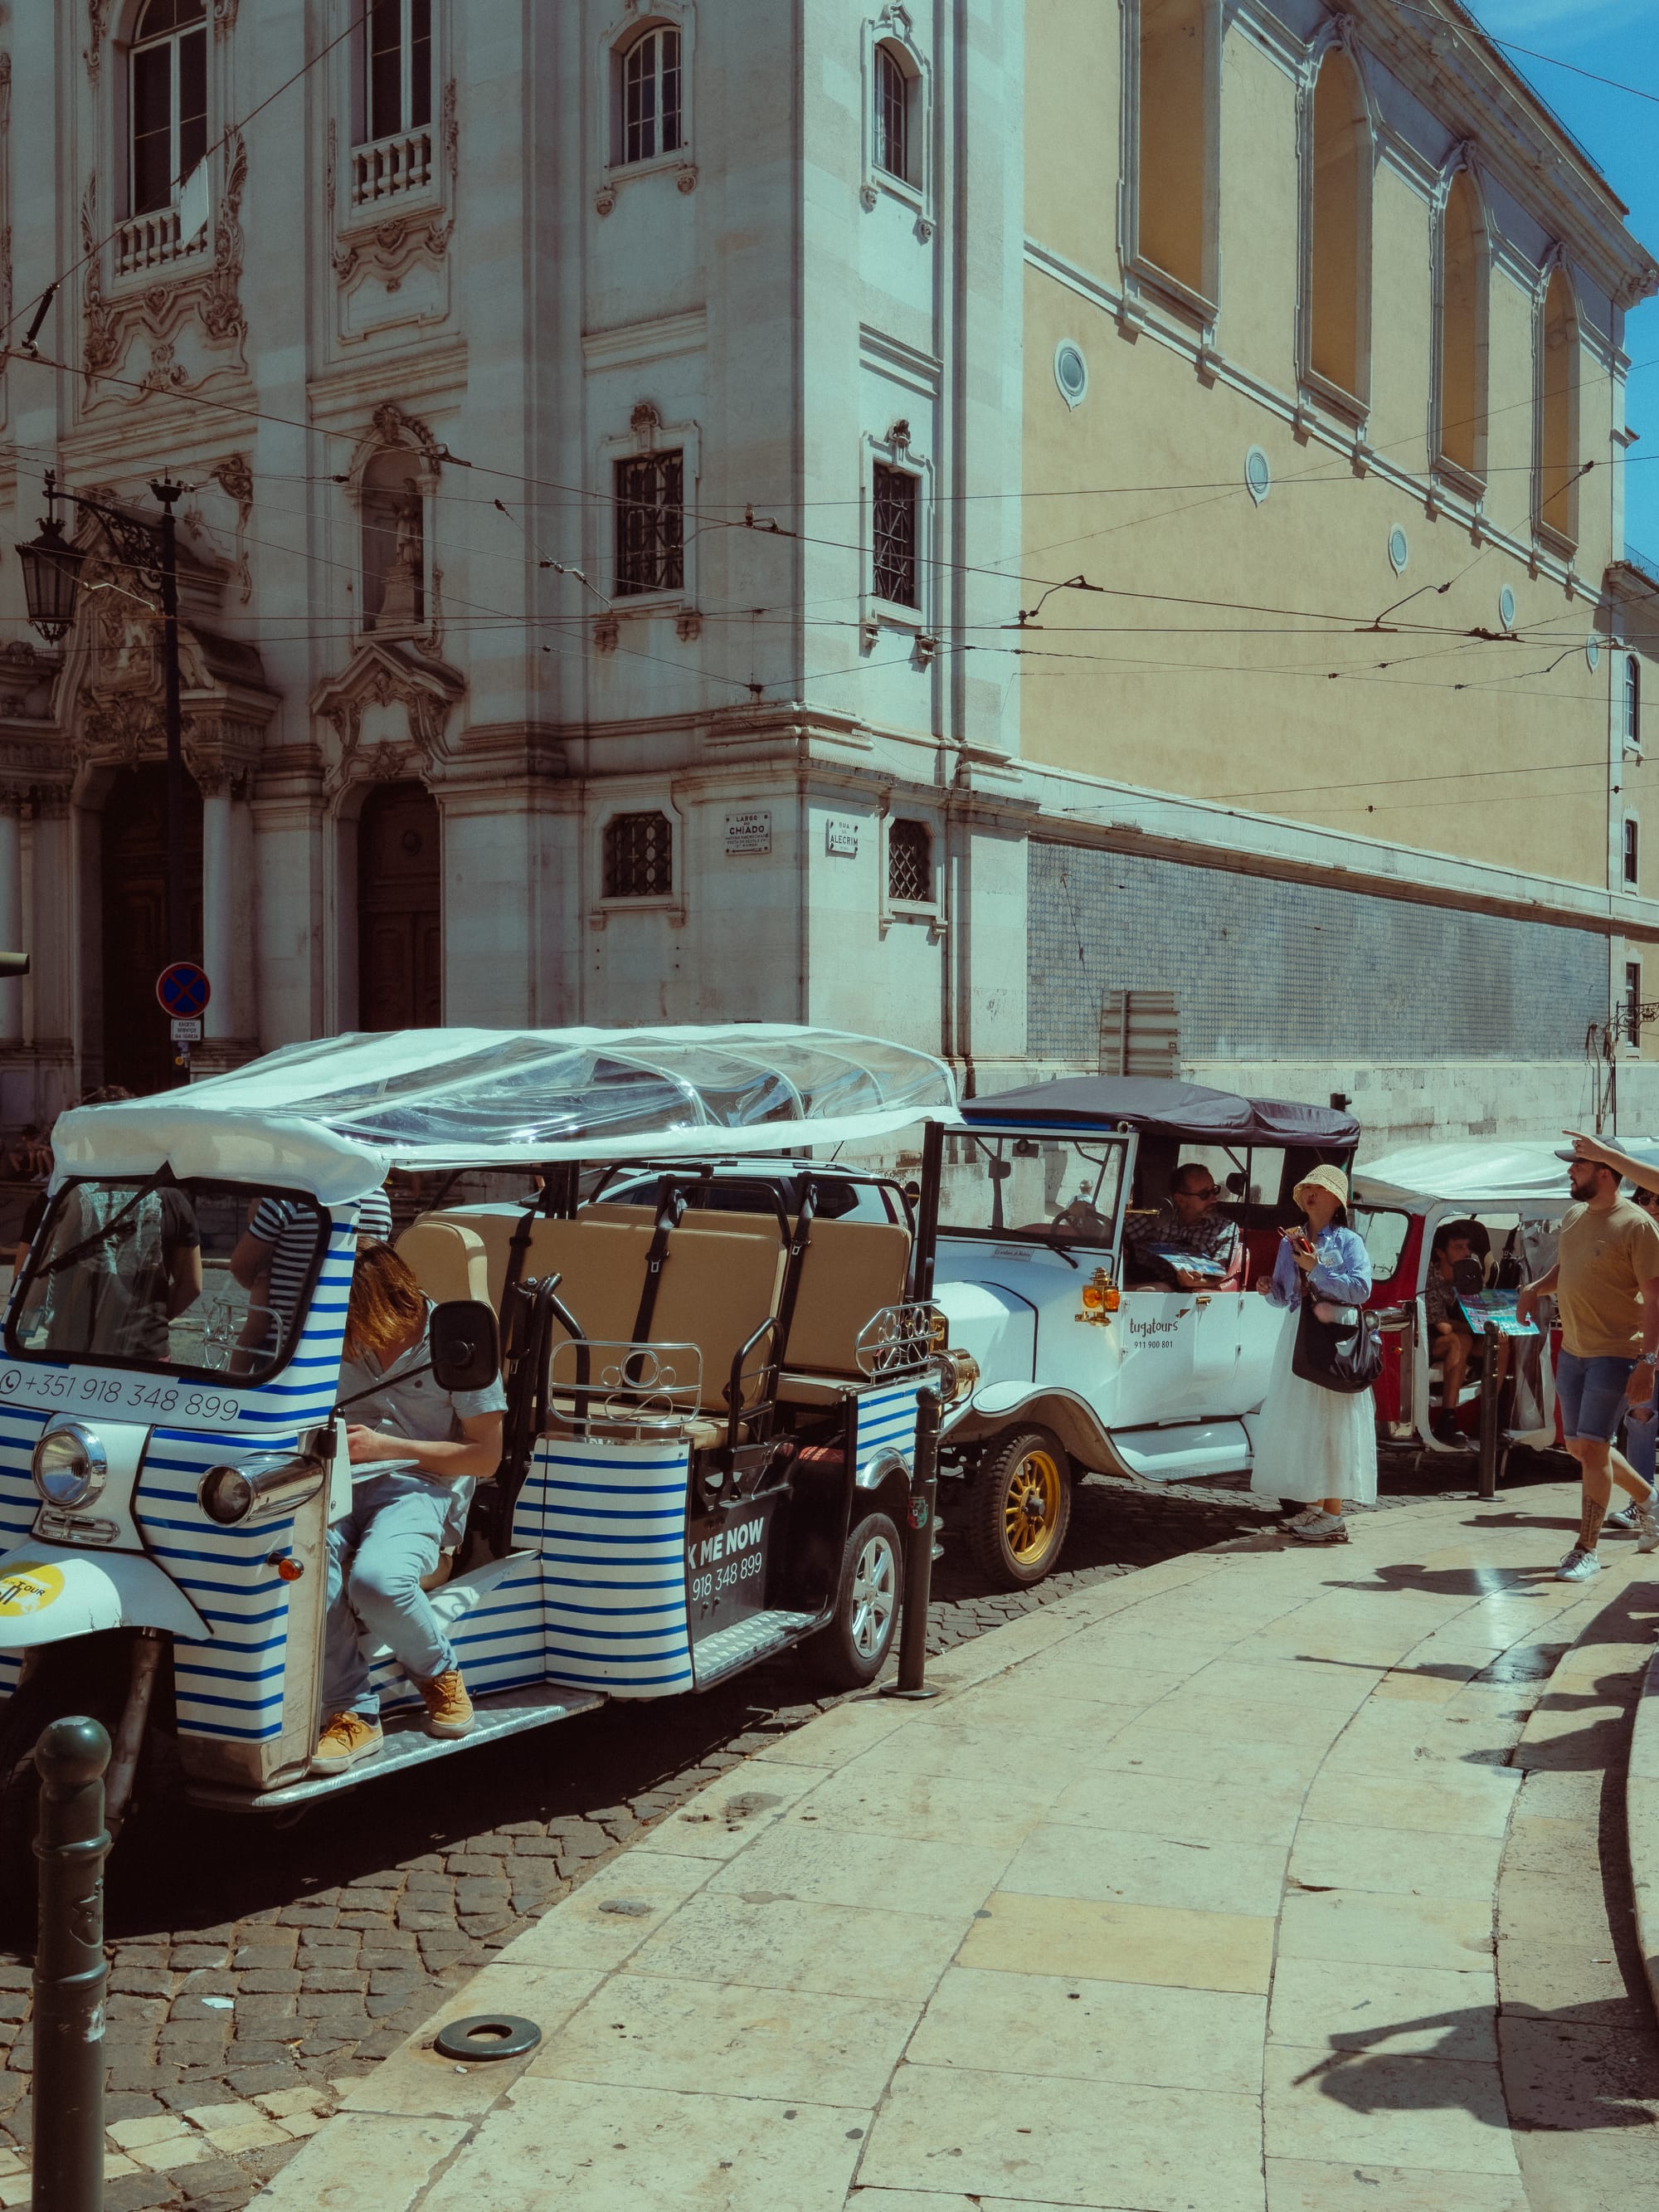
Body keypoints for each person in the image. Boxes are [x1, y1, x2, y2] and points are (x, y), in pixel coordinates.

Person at [312, 1241, 506, 1776]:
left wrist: (391, 1448)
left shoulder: (460, 1343)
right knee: (304, 1568)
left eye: (354, 1320)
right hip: (337, 1481)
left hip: (421, 1486)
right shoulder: (333, 1332)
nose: (348, 1335)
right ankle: (350, 1713)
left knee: (377, 1582)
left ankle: (440, 1673)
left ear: (391, 1304)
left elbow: (486, 1458)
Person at [1516, 1140, 1659, 1581]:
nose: (1570, 1172)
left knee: (1594, 1447)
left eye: (1578, 1164)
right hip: (1574, 1349)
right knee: (1580, 1446)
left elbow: (1656, 1296)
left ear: (1605, 1171)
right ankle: (1651, 1502)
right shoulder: (1575, 1215)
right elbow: (1569, 1267)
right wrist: (1534, 1288)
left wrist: (1648, 1361)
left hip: (1616, 1353)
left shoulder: (1638, 1226)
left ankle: (1586, 1549)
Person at [1248, 1163, 1377, 1543]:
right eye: (1306, 1187)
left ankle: (1334, 1514)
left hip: (1334, 1335)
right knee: (1305, 1419)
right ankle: (1318, 1507)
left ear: (1336, 1199)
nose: (1309, 1193)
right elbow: (1285, 1296)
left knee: (1333, 1421)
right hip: (1300, 1332)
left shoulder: (1349, 1242)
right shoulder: (1290, 1239)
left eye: (1318, 1188)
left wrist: (1316, 1270)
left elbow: (1361, 1290)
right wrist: (1268, 1287)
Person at [231, 1183, 393, 1359]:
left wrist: (262, 1283)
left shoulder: (289, 1194)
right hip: (352, 1345)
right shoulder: (379, 1197)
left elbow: (241, 1265)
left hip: (286, 1346)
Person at [1126, 1162, 1244, 1289]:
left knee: (1160, 1288)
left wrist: (1196, 1282)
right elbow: (1119, 1238)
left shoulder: (1225, 1229)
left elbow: (1218, 1275)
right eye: (1204, 1194)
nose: (1214, 1199)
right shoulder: (1157, 1215)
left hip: (1187, 1296)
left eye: (1214, 1191)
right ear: (1180, 1199)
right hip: (1139, 1280)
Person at [1424, 1224, 1480, 1448]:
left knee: (1501, 1342)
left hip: (1457, 1333)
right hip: (1425, 1343)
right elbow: (1444, 1328)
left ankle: (1490, 1419)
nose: (1466, 1253)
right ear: (1440, 1253)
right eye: (1458, 1248)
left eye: (1467, 1248)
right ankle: (1447, 1419)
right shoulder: (1429, 1278)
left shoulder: (1466, 1277)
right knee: (1461, 1341)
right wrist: (1476, 1327)